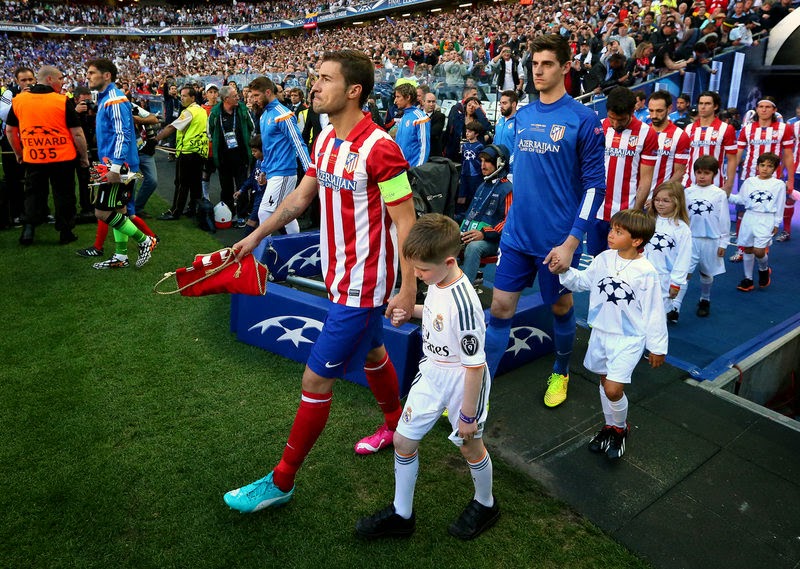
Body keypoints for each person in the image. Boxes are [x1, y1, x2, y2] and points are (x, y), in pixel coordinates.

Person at [222, 50, 417, 514]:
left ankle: (282, 480)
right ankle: (394, 424)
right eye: (315, 78)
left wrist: (408, 289)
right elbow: (300, 197)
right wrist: (254, 236)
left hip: (365, 284)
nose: (315, 86)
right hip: (338, 274)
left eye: (325, 79)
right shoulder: (327, 137)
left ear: (354, 91)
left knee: (315, 377)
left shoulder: (382, 148)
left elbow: (406, 224)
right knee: (372, 352)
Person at [355, 214, 498, 540]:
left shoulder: (465, 304)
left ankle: (486, 503)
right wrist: (410, 311)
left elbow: (474, 365)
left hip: (463, 379)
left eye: (422, 270)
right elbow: (435, 312)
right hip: (432, 371)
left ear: (449, 261)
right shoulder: (438, 281)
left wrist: (467, 414)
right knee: (404, 441)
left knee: (470, 446)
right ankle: (402, 514)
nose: (417, 276)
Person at [484, 34, 606, 408]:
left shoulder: (583, 120)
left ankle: (561, 369)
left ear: (565, 67)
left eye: (547, 64)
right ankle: (479, 390)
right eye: (534, 64)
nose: (538, 71)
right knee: (501, 308)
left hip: (556, 242)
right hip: (518, 236)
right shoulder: (522, 114)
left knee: (560, 309)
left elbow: (594, 187)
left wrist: (572, 242)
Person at [555, 209, 667, 460]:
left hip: (628, 338)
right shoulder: (604, 258)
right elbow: (583, 282)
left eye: (619, 231)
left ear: (636, 240)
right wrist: (563, 270)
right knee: (605, 383)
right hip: (601, 333)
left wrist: (657, 347)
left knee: (614, 389)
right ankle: (610, 426)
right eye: (612, 228)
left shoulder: (646, 272)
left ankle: (621, 428)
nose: (611, 233)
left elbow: (654, 311)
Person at [84, 58, 157, 269]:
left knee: (102, 212)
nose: (88, 76)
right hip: (116, 163)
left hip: (119, 166)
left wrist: (115, 167)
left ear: (106, 75)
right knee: (120, 210)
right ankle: (121, 256)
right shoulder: (107, 98)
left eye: (91, 72)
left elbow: (123, 134)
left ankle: (145, 240)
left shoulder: (114, 99)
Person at [5, 65, 89, 246]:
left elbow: (10, 131)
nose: (62, 82)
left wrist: (19, 153)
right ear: (50, 79)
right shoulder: (61, 100)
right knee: (64, 195)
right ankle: (65, 231)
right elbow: (77, 133)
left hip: (34, 157)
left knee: (33, 194)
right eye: (60, 78)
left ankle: (28, 230)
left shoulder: (19, 100)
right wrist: (84, 157)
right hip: (62, 158)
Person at [587, 86, 658, 256]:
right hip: (597, 210)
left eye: (621, 120)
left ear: (633, 111)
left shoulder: (647, 134)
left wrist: (636, 213)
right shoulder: (599, 127)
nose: (616, 124)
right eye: (612, 118)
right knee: (596, 262)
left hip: (626, 212)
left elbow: (646, 178)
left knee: (622, 265)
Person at [248, 76, 311, 232]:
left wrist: (311, 172)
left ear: (268, 92)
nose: (254, 99)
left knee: (264, 212)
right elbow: (268, 148)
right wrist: (263, 170)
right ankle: (295, 250)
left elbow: (298, 143)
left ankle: (264, 254)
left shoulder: (284, 114)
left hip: (284, 172)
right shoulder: (264, 115)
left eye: (256, 95)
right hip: (274, 172)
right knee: (286, 215)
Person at [734, 97, 795, 249]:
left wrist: (791, 179)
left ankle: (763, 249)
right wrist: (729, 175)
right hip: (748, 175)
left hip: (773, 178)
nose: (764, 110)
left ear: (774, 110)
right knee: (742, 210)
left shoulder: (784, 128)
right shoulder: (747, 129)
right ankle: (741, 248)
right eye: (761, 106)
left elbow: (788, 155)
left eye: (768, 107)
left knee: (767, 211)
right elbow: (738, 153)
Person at [673, 155, 729, 318]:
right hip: (690, 240)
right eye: (699, 172)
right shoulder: (687, 192)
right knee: (684, 273)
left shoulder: (719, 194)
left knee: (706, 273)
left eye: (706, 173)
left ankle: (705, 299)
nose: (702, 176)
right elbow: (682, 216)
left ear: (714, 174)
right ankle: (675, 308)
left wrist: (723, 242)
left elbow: (724, 219)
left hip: (710, 240)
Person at [729, 152, 786, 291]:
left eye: (769, 166)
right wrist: (725, 194)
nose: (765, 168)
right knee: (747, 248)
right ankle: (748, 279)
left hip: (766, 219)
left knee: (759, 251)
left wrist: (777, 223)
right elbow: (741, 199)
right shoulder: (749, 181)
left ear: (775, 169)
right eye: (762, 165)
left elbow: (780, 205)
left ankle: (763, 269)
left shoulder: (778, 184)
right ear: (757, 166)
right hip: (749, 217)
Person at [460, 144, 513, 285]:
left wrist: (484, 233)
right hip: (473, 234)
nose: (482, 166)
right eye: (481, 161)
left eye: (487, 161)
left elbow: (508, 223)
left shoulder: (508, 189)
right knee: (445, 237)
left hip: (495, 241)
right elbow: (471, 214)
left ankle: (466, 291)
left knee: (474, 247)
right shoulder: (482, 186)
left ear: (499, 163)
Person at [155, 85, 209, 220]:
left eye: (185, 96)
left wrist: (155, 139)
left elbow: (171, 127)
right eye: (181, 95)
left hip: (187, 152)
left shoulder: (189, 112)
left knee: (181, 184)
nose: (182, 98)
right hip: (200, 152)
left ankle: (175, 211)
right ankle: (193, 208)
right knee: (195, 184)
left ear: (192, 97)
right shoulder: (201, 111)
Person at [644, 181, 693, 322]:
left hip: (664, 279)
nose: (660, 204)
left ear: (677, 202)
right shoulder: (649, 220)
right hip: (643, 275)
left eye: (666, 201)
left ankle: (656, 343)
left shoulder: (682, 229)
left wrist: (676, 283)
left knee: (657, 318)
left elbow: (683, 259)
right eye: (657, 200)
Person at [208, 85, 255, 219]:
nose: (238, 97)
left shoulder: (242, 110)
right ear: (226, 99)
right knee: (226, 187)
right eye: (235, 96)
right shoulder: (216, 113)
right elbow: (210, 131)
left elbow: (252, 128)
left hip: (241, 156)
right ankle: (227, 213)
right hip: (223, 158)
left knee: (242, 186)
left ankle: (242, 214)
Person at [683, 90, 738, 195]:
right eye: (701, 103)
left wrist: (729, 185)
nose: (703, 107)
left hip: (716, 185)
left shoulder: (726, 128)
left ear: (715, 106)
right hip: (689, 185)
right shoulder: (688, 128)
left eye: (707, 104)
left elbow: (732, 159)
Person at [647, 91, 692, 192]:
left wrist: (660, 195)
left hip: (661, 198)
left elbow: (680, 172)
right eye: (651, 110)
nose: (654, 115)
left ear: (669, 109)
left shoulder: (680, 136)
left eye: (659, 111)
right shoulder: (642, 132)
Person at [391, 82, 430, 167]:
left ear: (408, 97)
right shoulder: (404, 117)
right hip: (400, 169)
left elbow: (424, 147)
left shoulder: (421, 118)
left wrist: (418, 171)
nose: (395, 101)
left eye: (398, 97)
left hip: (413, 171)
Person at [458, 120, 484, 216]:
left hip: (476, 175)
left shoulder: (480, 146)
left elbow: (481, 161)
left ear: (476, 134)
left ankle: (473, 214)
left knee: (474, 196)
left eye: (469, 132)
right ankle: (461, 214)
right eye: (466, 131)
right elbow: (462, 160)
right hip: (465, 174)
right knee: (462, 195)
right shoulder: (464, 145)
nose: (467, 133)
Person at [492, 90, 518, 177]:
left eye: (504, 103)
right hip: (498, 168)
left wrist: (507, 163)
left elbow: (518, 148)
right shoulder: (500, 121)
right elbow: (495, 143)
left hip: (511, 171)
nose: (501, 106)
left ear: (513, 104)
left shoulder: (519, 122)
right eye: (500, 103)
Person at [422, 92, 446, 158]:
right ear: (423, 102)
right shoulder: (417, 115)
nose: (431, 104)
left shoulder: (440, 116)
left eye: (433, 102)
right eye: (429, 102)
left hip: (433, 153)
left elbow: (433, 133)